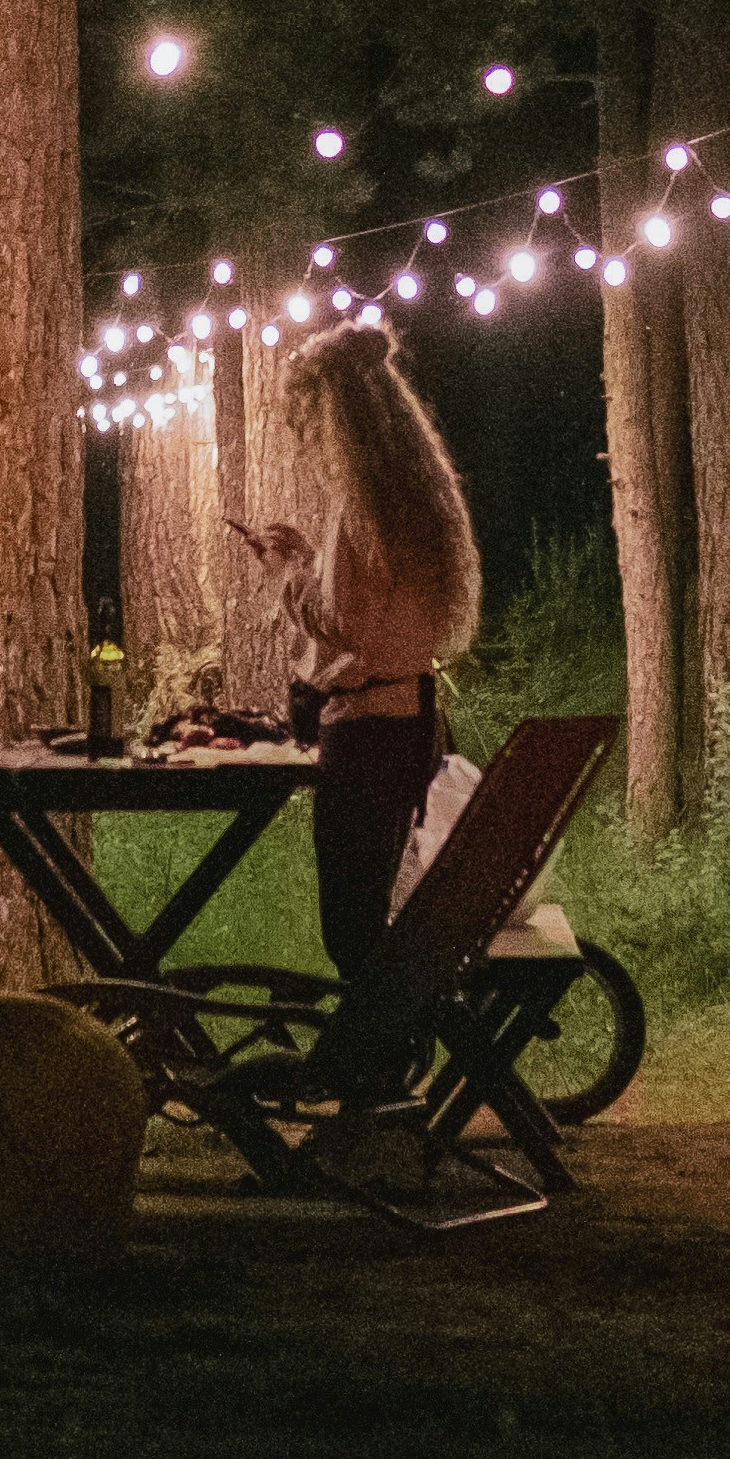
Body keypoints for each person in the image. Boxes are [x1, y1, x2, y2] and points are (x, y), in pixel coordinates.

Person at [230, 317, 479, 987]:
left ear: (334, 416)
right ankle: (389, 1060)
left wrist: (285, 572)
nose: (306, 435)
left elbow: (342, 620)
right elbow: (375, 606)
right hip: (410, 724)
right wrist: (313, 559)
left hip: (367, 735)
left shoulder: (362, 504)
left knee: (350, 927)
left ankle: (377, 1068)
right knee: (371, 913)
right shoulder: (418, 496)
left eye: (309, 419)